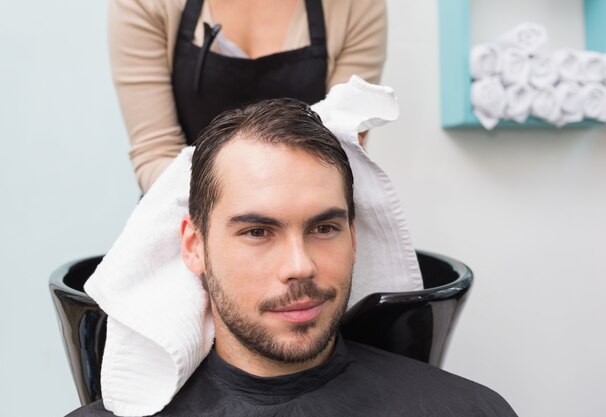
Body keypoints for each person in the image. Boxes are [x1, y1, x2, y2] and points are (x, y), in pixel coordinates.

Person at [68, 98, 518, 416]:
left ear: (354, 236)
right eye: (258, 232)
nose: (300, 266)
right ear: (194, 246)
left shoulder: (467, 410)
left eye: (324, 228)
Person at [109, 0, 387, 192]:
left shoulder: (354, 6)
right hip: (180, 216)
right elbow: (156, 152)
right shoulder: (146, 4)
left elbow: (341, 153)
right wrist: (231, 216)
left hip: (305, 222)